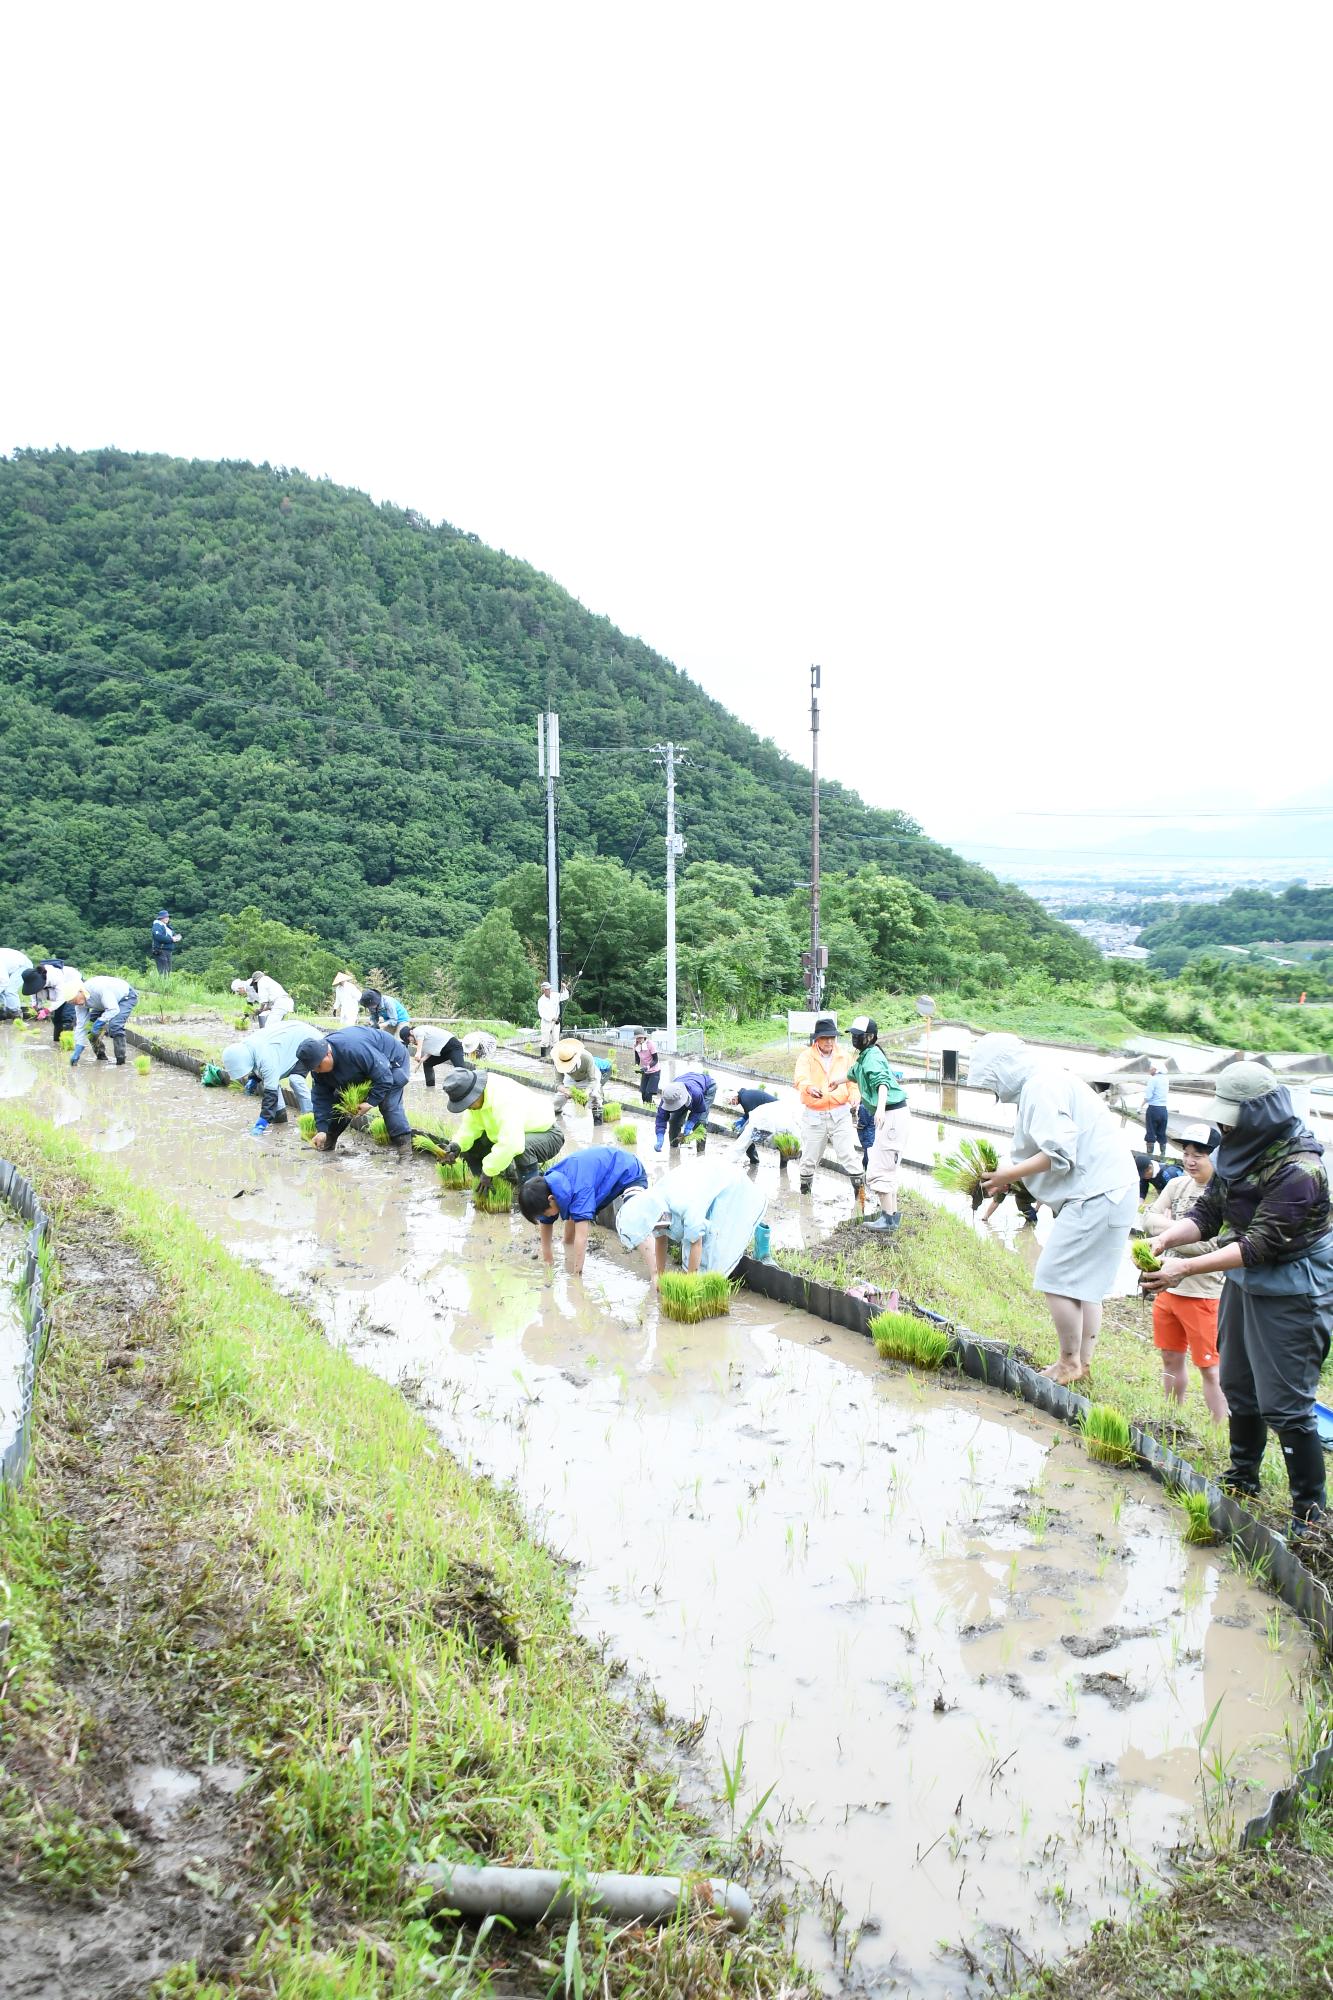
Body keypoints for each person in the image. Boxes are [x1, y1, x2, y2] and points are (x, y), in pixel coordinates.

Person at [1142, 1062, 1333, 1530]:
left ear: (1262, 1114)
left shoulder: (1300, 1169)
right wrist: (1166, 1241)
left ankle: (1309, 1510)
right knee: (1239, 1383)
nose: (1225, 1125)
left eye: (1232, 1117)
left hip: (1293, 1286)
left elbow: (1260, 1244)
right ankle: (1243, 1474)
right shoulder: (1238, 1149)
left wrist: (1183, 1267)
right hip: (1245, 1281)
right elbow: (1209, 1212)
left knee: (1285, 1402)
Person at [969, 1032, 1138, 1387]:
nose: (994, 1092)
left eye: (991, 1082)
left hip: (1095, 1193)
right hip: (1115, 1189)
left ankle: (1068, 1362)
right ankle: (1082, 1365)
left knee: (1053, 1275)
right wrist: (1010, 1181)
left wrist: (1006, 1174)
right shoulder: (1048, 1080)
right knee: (1086, 1286)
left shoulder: (1040, 1087)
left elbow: (1058, 1154)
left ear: (1003, 1070)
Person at [1142, 1123, 1228, 1424]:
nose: (1190, 1161)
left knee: (1209, 1366)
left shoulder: (1223, 1192)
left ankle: (1220, 1427)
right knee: (1169, 1357)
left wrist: (1170, 1236)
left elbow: (1216, 1246)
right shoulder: (1177, 1185)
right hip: (1168, 1291)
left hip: (1203, 1294)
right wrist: (1178, 1232)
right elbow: (1147, 1219)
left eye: (1199, 1155)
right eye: (1187, 1154)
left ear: (1216, 1157)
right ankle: (1170, 1417)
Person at [616, 1160, 767, 1287]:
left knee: (719, 1241)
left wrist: (689, 1287)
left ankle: (762, 1248)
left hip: (728, 1185)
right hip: (701, 1184)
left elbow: (696, 1243)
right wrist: (659, 1276)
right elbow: (660, 1240)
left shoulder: (685, 1206)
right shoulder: (652, 1209)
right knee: (698, 1246)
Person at [518, 1145, 649, 1273]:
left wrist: (576, 1277)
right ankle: (567, 1242)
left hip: (630, 1172)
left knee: (634, 1219)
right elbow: (546, 1222)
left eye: (545, 1213)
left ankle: (655, 1272)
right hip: (599, 1171)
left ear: (551, 1199)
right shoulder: (549, 1186)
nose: (545, 1217)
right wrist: (548, 1260)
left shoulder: (580, 1191)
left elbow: (582, 1238)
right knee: (571, 1207)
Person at [434, 1065, 564, 1189]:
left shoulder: (504, 1099)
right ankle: (493, 1186)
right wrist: (457, 1144)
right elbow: (470, 1127)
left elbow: (512, 1144)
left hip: (548, 1134)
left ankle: (530, 1194)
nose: (468, 1107)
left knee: (522, 1147)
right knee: (472, 1146)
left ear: (476, 1092)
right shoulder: (476, 1101)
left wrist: (488, 1171)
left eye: (468, 1103)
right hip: (517, 1133)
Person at [298, 1027, 412, 1153]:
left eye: (319, 1066)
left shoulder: (354, 1049)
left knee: (388, 1103)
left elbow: (385, 1077)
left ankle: (405, 1151)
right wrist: (322, 1130)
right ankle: (328, 1142)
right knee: (342, 1102)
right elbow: (321, 1098)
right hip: (364, 1068)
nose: (317, 1070)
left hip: (392, 1062)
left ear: (328, 1053)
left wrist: (370, 1102)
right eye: (313, 1069)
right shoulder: (318, 1069)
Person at [848, 1016, 909, 1234]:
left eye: (858, 1035)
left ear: (870, 1037)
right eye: (853, 1035)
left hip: (890, 1115)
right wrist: (835, 1082)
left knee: (879, 1167)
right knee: (887, 1167)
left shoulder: (872, 1057)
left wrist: (881, 1109)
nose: (855, 1038)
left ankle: (887, 1219)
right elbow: (851, 1075)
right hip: (894, 1115)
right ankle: (891, 1218)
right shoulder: (865, 1057)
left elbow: (882, 1083)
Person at [793, 1017, 864, 1199]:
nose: (829, 1042)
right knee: (809, 1158)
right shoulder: (806, 1057)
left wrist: (855, 1096)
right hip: (815, 1115)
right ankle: (805, 1199)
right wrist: (809, 1088)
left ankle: (861, 1199)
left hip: (840, 1114)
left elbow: (853, 1082)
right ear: (817, 1039)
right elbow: (800, 1079)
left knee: (848, 1154)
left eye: (832, 1038)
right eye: (825, 1038)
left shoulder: (844, 1056)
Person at [220, 1017, 320, 1133]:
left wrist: (262, 1122)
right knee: (269, 1082)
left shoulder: (267, 1060)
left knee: (295, 1079)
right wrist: (254, 1079)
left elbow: (270, 1096)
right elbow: (256, 1066)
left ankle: (311, 1118)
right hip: (290, 1041)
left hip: (309, 1041)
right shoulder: (247, 1048)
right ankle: (280, 1118)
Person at [69, 974, 139, 1066]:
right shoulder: (79, 1004)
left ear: (80, 991)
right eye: (73, 1002)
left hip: (125, 997)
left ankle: (120, 1061)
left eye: (75, 1000)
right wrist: (78, 1048)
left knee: (115, 1025)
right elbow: (82, 1026)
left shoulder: (98, 989)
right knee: (89, 1026)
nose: (76, 1003)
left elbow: (113, 1009)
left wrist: (99, 1022)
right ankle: (100, 1054)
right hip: (103, 1003)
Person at [721, 1085, 795, 1166]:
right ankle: (782, 1168)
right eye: (729, 1103)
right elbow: (750, 1114)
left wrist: (744, 1124)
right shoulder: (745, 1097)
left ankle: (754, 1160)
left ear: (734, 1096)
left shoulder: (745, 1099)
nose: (732, 1103)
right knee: (781, 1140)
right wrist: (742, 1120)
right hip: (774, 1113)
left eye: (731, 1100)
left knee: (745, 1135)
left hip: (775, 1113)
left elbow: (754, 1118)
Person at [654, 1070, 717, 1151]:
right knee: (674, 1121)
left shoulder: (696, 1093)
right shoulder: (668, 1096)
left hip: (707, 1087)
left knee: (700, 1122)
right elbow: (661, 1117)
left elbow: (698, 1110)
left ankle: (700, 1152)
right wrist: (660, 1136)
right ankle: (674, 1147)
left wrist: (689, 1125)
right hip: (686, 1083)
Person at [23, 962, 84, 1043]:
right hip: (57, 993)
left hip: (71, 985)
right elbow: (33, 993)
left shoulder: (55, 977)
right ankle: (57, 1041)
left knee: (67, 1017)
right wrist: (36, 1006)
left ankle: (68, 1043)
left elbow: (62, 998)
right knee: (56, 1018)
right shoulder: (33, 981)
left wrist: (47, 1010)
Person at [553, 1038, 606, 1123]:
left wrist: (586, 1092)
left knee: (595, 1096)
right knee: (558, 1100)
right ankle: (556, 1116)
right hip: (571, 1078)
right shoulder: (558, 1061)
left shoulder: (587, 1058)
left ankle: (598, 1122)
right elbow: (557, 1083)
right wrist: (565, 1090)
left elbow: (593, 1080)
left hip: (589, 1077)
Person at [1142, 1062, 1170, 1161]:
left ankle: (1149, 1158)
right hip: (1163, 1110)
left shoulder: (1153, 1080)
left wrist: (1140, 1106)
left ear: (1156, 1069)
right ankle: (1163, 1157)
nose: (1149, 1069)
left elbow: (1148, 1096)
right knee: (1162, 1133)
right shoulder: (1166, 1079)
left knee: (1150, 1133)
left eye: (1151, 1067)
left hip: (1153, 1109)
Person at [537, 980, 569, 1057]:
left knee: (555, 1040)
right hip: (546, 1022)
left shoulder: (555, 995)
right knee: (545, 1041)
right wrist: (552, 1018)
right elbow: (542, 1014)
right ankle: (543, 1058)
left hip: (556, 1022)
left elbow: (565, 996)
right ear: (544, 990)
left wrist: (564, 988)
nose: (549, 990)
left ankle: (554, 1058)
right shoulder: (541, 1000)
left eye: (549, 988)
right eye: (547, 989)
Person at [0, 948, 33, 1021]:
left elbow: (4, 981)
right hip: (13, 966)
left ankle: (16, 1014)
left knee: (9, 990)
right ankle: (3, 1011)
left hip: (24, 965)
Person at [150, 911, 181, 976]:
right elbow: (159, 937)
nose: (167, 918)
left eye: (167, 917)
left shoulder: (167, 926)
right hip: (160, 950)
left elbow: (172, 935)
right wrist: (171, 939)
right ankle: (162, 985)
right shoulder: (157, 925)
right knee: (163, 970)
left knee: (168, 970)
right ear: (160, 918)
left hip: (167, 950)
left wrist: (177, 937)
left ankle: (166, 985)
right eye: (165, 917)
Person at [634, 1031, 661, 1103]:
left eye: (640, 1037)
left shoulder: (650, 1044)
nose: (639, 1039)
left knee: (648, 1094)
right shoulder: (636, 1046)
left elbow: (655, 1060)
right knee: (643, 1094)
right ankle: (648, 1108)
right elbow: (637, 1059)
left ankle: (652, 1109)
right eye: (637, 1038)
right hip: (645, 1072)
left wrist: (647, 1067)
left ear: (644, 1037)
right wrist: (636, 1066)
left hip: (654, 1071)